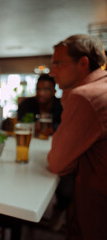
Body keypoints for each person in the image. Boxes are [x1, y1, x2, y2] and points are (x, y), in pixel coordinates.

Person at [48, 34, 107, 239]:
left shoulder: (86, 96)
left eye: (58, 64)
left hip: (98, 215)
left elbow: (57, 163)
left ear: (83, 63)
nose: (51, 71)